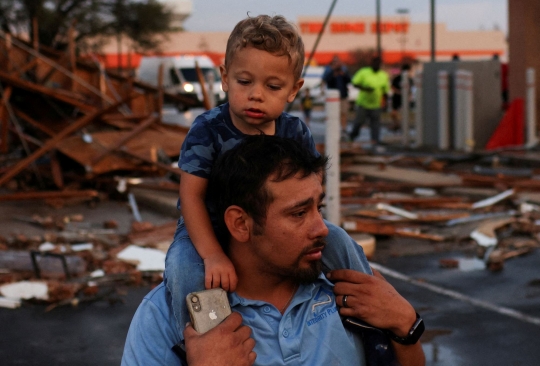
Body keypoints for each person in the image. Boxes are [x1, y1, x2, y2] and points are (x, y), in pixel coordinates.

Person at [122, 135, 426, 366]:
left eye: (318, 208)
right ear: (240, 223)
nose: (322, 228)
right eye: (298, 213)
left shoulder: (348, 291)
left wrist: (406, 329)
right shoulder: (164, 318)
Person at [162, 14, 376, 339]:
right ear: (224, 77)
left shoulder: (294, 132)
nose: (256, 94)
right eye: (244, 82)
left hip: (271, 228)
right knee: (185, 271)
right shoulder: (207, 130)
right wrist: (213, 254)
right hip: (209, 228)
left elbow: (310, 191)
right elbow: (191, 197)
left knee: (341, 242)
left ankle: (372, 316)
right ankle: (201, 343)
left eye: (272, 86)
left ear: (293, 90)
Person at [350, 56, 390, 145]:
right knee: (359, 122)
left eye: (378, 64)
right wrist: (365, 88)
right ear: (371, 64)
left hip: (376, 104)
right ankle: (352, 136)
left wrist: (385, 103)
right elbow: (354, 83)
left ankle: (375, 140)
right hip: (363, 103)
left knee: (375, 123)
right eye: (375, 64)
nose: (377, 66)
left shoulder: (383, 75)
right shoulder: (364, 72)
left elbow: (385, 91)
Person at [322, 55, 351, 133]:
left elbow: (349, 80)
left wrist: (343, 74)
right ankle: (334, 128)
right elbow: (325, 79)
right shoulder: (329, 69)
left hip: (343, 95)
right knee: (333, 114)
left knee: (343, 112)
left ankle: (343, 129)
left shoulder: (343, 70)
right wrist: (333, 72)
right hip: (332, 96)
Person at [390, 64, 414, 131]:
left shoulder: (409, 79)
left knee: (404, 112)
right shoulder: (397, 78)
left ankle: (403, 126)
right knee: (394, 113)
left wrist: (409, 96)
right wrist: (398, 92)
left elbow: (410, 89)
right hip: (397, 97)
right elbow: (392, 86)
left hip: (405, 98)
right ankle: (396, 124)